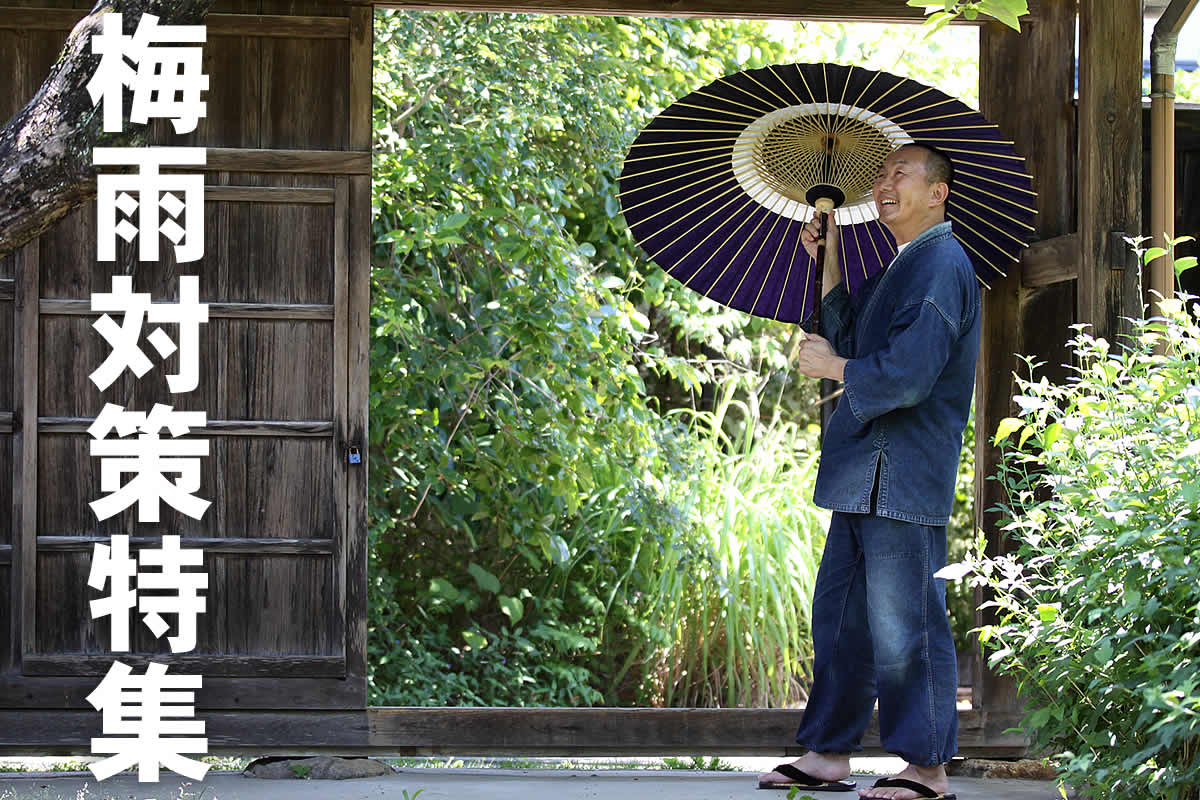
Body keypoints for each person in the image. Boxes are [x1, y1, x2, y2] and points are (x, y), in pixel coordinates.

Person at [757, 143, 979, 800]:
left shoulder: (942, 263)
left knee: (907, 622)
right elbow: (852, 339)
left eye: (900, 174)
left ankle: (928, 769)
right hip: (864, 472)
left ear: (937, 192)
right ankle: (828, 753)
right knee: (842, 618)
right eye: (880, 175)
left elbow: (906, 376)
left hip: (904, 471)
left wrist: (831, 368)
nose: (883, 184)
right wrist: (822, 263)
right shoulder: (900, 267)